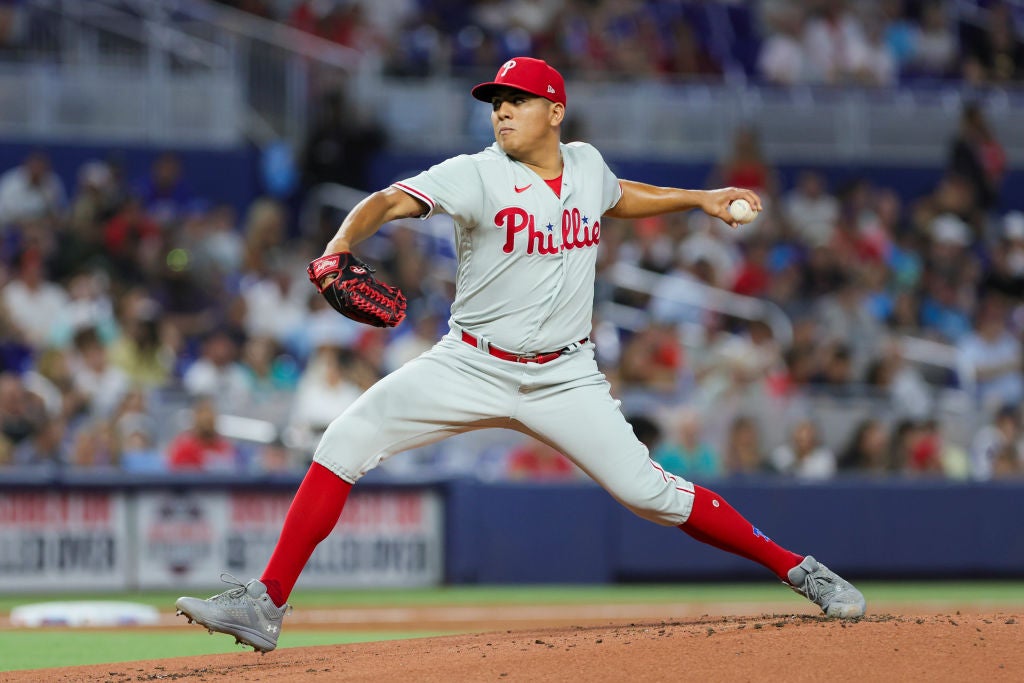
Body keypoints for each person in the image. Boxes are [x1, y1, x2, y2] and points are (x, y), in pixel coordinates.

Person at [175, 56, 866, 653]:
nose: (502, 112)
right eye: (496, 103)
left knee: (650, 493)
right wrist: (338, 248)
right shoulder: (476, 174)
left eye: (516, 101)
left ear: (554, 111)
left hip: (565, 375)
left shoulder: (588, 165)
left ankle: (798, 568)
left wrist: (698, 198)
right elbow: (387, 199)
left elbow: (620, 197)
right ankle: (267, 602)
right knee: (345, 437)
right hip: (470, 363)